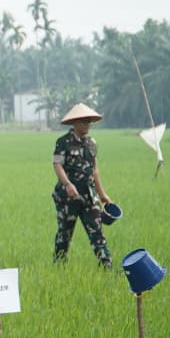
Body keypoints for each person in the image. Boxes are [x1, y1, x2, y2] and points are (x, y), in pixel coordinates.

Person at [52, 102, 114, 269]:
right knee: (64, 235)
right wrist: (67, 184)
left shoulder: (91, 143)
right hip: (68, 197)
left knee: (97, 233)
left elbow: (94, 170)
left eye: (89, 122)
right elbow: (57, 164)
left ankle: (107, 268)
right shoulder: (63, 142)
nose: (87, 125)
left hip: (89, 196)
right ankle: (58, 267)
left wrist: (103, 195)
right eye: (84, 122)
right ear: (75, 123)